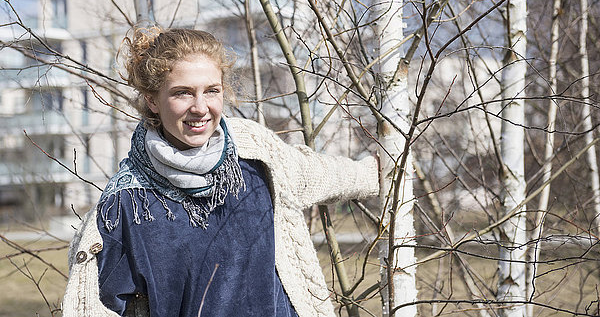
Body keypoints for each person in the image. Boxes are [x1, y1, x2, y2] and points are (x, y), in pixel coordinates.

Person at [62, 27, 379, 317]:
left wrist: (381, 172)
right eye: (183, 93)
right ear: (152, 100)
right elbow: (91, 305)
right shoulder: (127, 203)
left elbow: (318, 174)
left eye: (211, 91)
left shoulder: (254, 152)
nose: (200, 107)